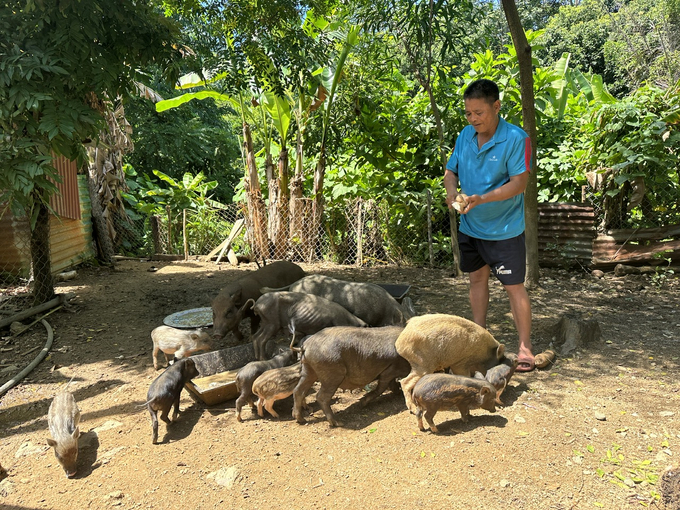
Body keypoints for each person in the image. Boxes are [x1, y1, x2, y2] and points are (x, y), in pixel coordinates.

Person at [443, 78, 534, 372]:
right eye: (468, 113)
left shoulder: (517, 139)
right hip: (471, 227)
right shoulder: (464, 136)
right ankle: (478, 339)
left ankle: (524, 348)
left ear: (496, 106)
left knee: (514, 287)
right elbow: (450, 171)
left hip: (505, 230)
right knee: (476, 280)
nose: (473, 119)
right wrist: (451, 193)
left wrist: (479, 199)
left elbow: (519, 185)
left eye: (479, 113)